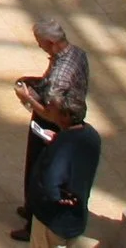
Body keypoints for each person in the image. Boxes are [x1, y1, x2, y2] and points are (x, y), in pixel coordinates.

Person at [12, 16, 90, 237]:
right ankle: (30, 211)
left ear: (51, 42)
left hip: (51, 124)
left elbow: (51, 112)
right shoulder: (76, 53)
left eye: (41, 42)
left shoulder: (60, 74)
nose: (39, 46)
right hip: (70, 116)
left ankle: (33, 225)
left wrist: (27, 98)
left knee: (40, 174)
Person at [25, 88, 100, 248]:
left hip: (52, 220)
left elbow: (50, 183)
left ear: (66, 116)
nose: (50, 108)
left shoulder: (61, 146)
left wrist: (45, 200)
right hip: (76, 218)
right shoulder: (92, 135)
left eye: (55, 108)